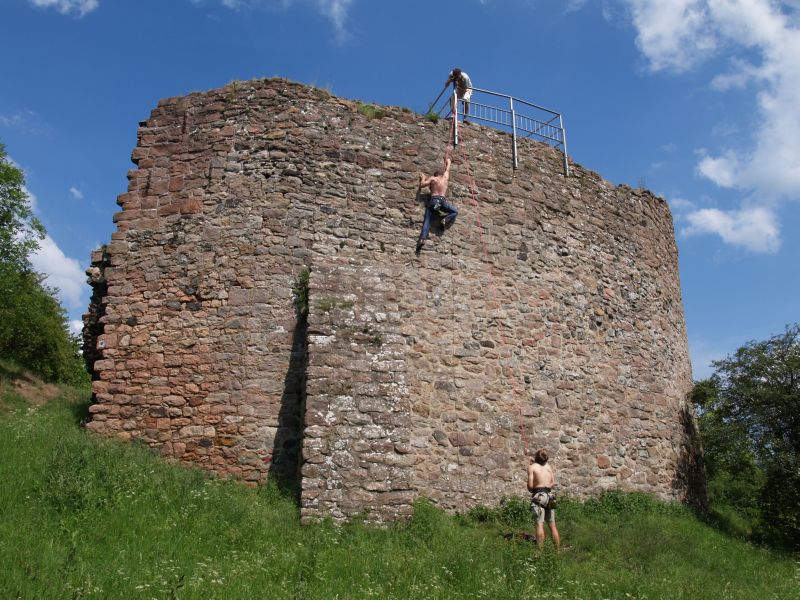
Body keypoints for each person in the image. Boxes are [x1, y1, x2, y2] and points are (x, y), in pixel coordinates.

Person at [416, 150, 458, 254]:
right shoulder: (445, 178)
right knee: (455, 211)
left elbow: (422, 185)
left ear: (435, 175)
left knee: (427, 220)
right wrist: (447, 161)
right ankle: (445, 220)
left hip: (434, 201)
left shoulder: (433, 179)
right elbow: (448, 167)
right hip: (442, 202)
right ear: (441, 174)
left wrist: (423, 178)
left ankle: (422, 239)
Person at [527, 448, 561, 550]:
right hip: (550, 496)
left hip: (539, 497)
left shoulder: (532, 467)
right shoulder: (549, 467)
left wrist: (530, 467)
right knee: (552, 526)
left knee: (539, 525)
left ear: (536, 458)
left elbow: (530, 487)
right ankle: (557, 551)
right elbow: (552, 483)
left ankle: (539, 553)